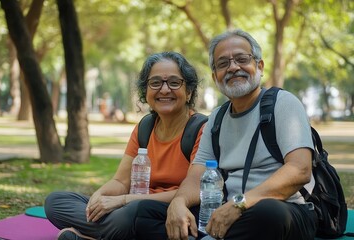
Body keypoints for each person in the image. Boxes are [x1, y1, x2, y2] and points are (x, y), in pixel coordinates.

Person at [134, 29, 317, 240]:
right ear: (215, 76)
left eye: (242, 59)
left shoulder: (283, 103)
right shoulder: (217, 118)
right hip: (226, 210)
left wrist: (239, 204)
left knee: (268, 213)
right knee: (146, 213)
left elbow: (299, 170)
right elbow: (196, 175)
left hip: (284, 211)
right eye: (222, 64)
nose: (233, 67)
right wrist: (179, 202)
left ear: (259, 66)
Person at [44, 51, 205, 240]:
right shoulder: (144, 128)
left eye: (174, 82)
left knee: (133, 215)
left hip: (169, 213)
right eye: (155, 83)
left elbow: (193, 191)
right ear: (146, 92)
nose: (164, 90)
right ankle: (109, 232)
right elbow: (121, 182)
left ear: (189, 92)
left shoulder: (201, 130)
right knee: (55, 202)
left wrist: (123, 201)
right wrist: (99, 195)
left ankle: (92, 235)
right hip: (130, 209)